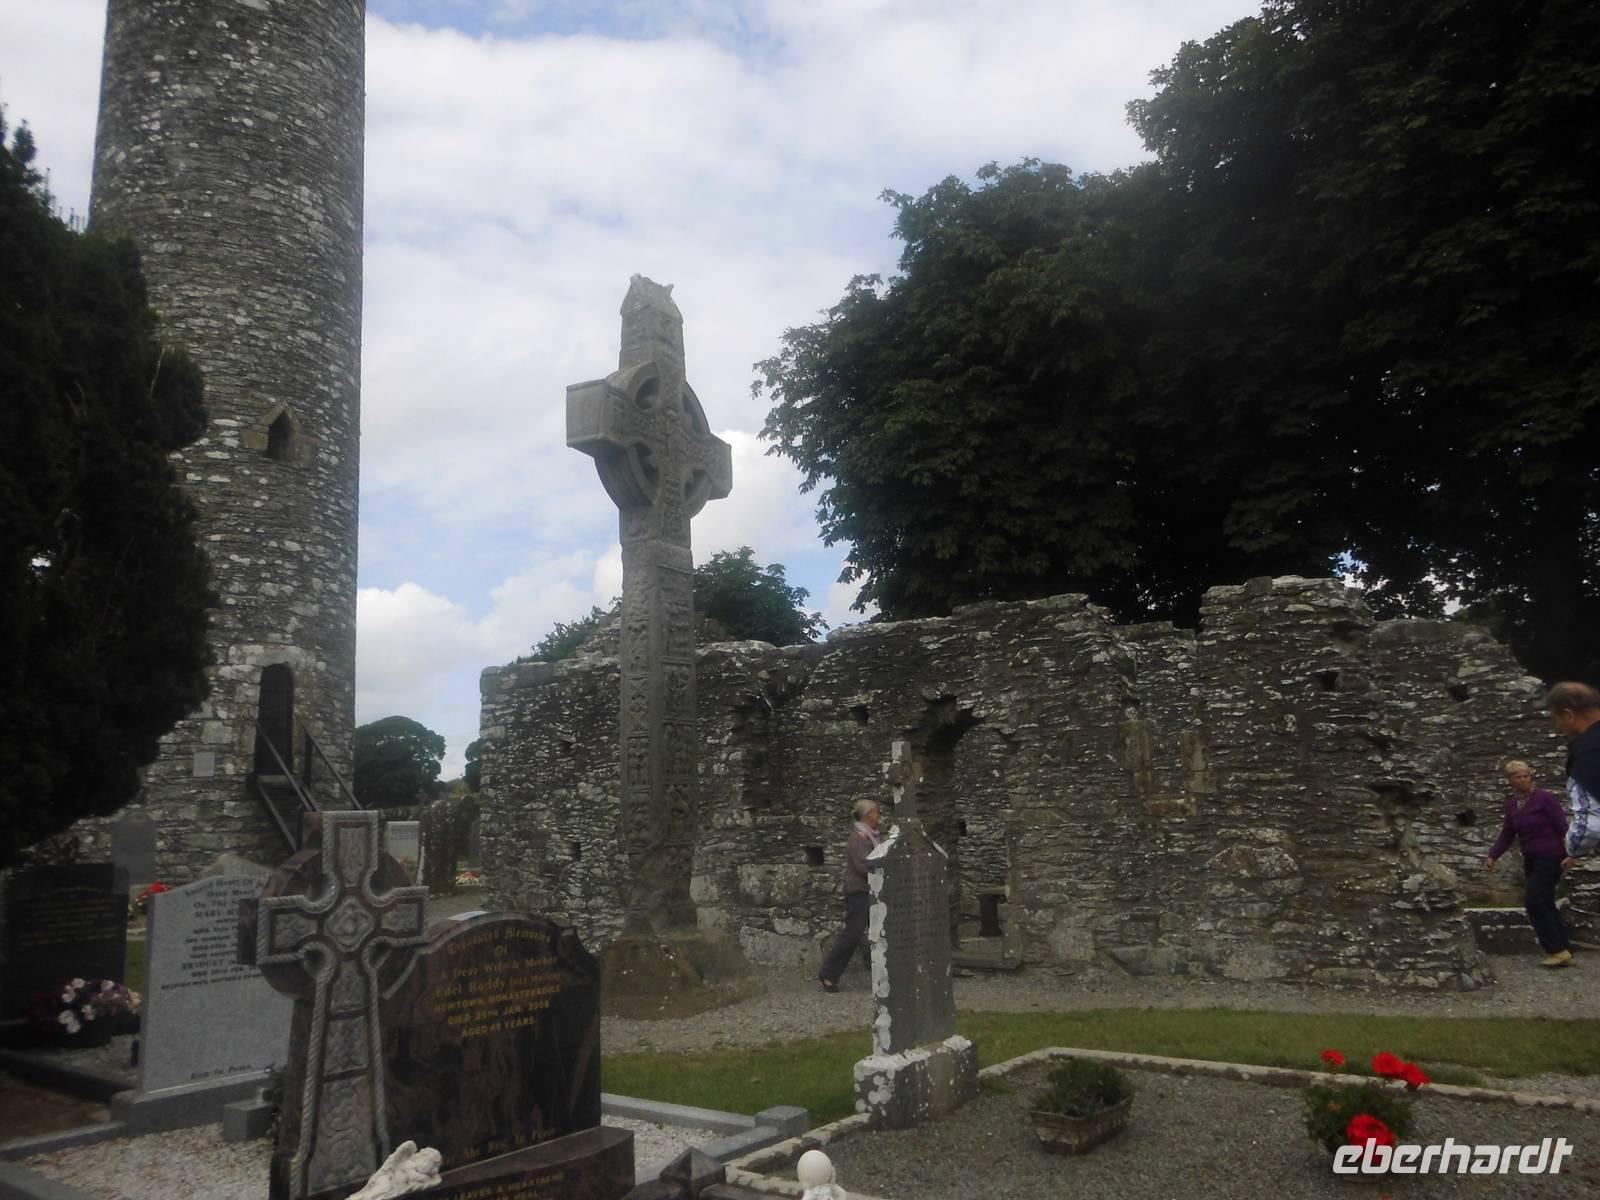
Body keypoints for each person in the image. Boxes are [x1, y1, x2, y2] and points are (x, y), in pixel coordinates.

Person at [1484, 759, 1572, 967]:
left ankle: (1556, 950)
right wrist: (1493, 855)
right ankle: (1563, 949)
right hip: (1531, 858)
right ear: (1510, 781)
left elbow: (1563, 827)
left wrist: (1572, 853)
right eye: (1518, 777)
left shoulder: (1545, 799)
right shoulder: (1513, 805)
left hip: (1551, 856)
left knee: (1535, 900)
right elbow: (1508, 833)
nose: (1523, 780)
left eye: (1526, 776)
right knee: (1545, 901)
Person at [818, 798, 882, 993]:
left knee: (881, 932)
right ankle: (828, 973)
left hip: (873, 890)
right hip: (859, 892)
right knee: (853, 933)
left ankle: (886, 975)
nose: (879, 815)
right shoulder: (858, 837)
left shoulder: (873, 836)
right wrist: (883, 868)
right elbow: (862, 866)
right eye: (876, 811)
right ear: (868, 815)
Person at [1546, 681, 1600, 871]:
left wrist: (1572, 850)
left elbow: (1589, 823)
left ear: (1568, 715)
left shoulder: (1586, 755)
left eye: (1556, 720)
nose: (1558, 727)